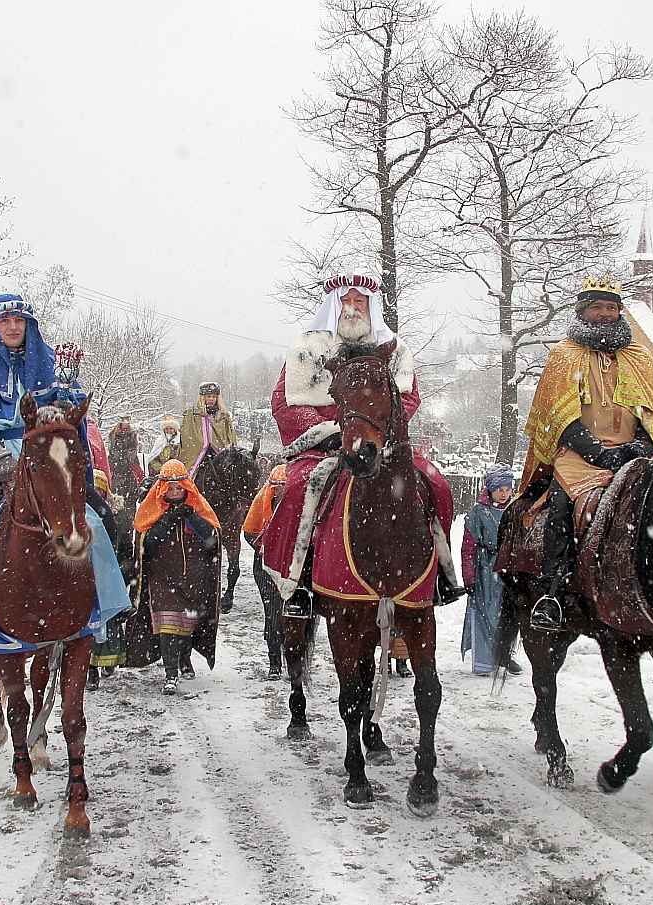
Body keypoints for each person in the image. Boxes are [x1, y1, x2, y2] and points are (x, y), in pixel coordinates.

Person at [256, 272, 462, 619]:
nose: (352, 308)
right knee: (297, 489)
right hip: (323, 446)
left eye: (359, 301)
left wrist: (377, 430)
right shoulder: (307, 348)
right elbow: (285, 402)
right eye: (346, 301)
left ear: (370, 305)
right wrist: (329, 430)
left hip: (382, 442)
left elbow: (408, 397)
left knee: (437, 483)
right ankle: (298, 582)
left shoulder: (393, 349)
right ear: (333, 306)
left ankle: (441, 573)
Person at [0, 292, 105, 655]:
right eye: (4, 321)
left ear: (28, 325)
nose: (12, 327)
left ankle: (107, 607)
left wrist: (62, 409)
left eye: (18, 321)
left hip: (49, 471)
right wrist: (1, 461)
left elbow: (70, 421)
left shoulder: (50, 367)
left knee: (108, 522)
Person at [517, 277, 653, 632]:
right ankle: (552, 594)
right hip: (579, 456)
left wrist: (640, 447)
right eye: (597, 307)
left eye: (611, 307)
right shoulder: (564, 355)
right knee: (561, 508)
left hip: (634, 452)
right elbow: (559, 416)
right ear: (582, 311)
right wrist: (599, 453)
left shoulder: (639, 357)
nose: (605, 313)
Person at [130, 460, 222, 695]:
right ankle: (170, 674)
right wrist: (166, 522)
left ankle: (184, 659)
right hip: (162, 578)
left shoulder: (198, 507)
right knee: (169, 625)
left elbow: (212, 539)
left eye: (178, 488)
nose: (174, 492)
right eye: (169, 488)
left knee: (187, 624)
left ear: (186, 488)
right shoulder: (152, 509)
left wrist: (192, 517)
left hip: (193, 578)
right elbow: (145, 544)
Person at [462, 463, 518, 676]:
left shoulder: (516, 510)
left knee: (506, 614)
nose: (504, 494)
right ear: (491, 489)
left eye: (508, 489)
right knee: (485, 614)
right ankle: (485, 661)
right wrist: (469, 579)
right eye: (499, 490)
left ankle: (505, 654)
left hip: (508, 570)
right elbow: (468, 548)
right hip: (484, 571)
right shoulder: (478, 512)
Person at [89, 469, 137, 681]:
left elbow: (126, 546)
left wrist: (123, 572)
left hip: (111, 575)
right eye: (94, 490)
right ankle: (90, 669)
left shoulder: (118, 515)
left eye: (100, 490)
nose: (98, 494)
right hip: (90, 576)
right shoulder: (82, 514)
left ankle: (109, 660)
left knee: (111, 622)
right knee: (89, 624)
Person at [243, 463, 290, 677]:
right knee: (272, 612)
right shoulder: (262, 502)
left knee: (292, 614)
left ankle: (292, 657)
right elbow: (249, 532)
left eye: (283, 488)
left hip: (291, 568)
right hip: (265, 568)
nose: (279, 492)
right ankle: (274, 660)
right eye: (276, 488)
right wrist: (264, 546)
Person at [176, 381, 238, 475]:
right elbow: (187, 435)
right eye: (208, 396)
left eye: (214, 396)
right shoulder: (191, 414)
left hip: (218, 451)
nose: (211, 399)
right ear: (203, 397)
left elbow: (229, 435)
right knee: (187, 473)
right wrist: (201, 442)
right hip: (196, 452)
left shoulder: (223, 415)